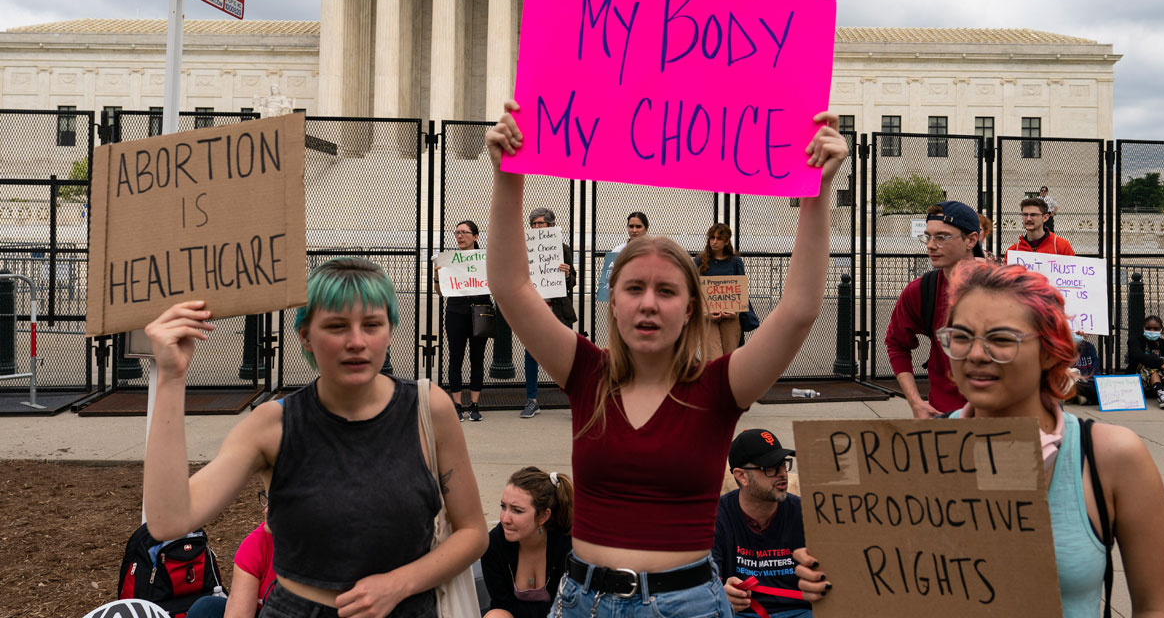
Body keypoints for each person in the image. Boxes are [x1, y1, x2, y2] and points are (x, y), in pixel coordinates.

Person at [484, 100, 847, 618]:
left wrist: (817, 191)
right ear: (613, 302)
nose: (649, 302)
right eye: (633, 288)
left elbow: (797, 311)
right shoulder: (585, 372)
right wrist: (508, 176)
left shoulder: (721, 387)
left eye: (666, 291)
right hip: (582, 602)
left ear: (690, 308)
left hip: (686, 605)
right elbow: (512, 287)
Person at [803, 262, 1164, 618]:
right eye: (961, 337)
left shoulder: (1110, 457)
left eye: (1002, 339)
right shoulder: (911, 457)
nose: (976, 355)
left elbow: (1157, 607)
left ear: (1050, 351)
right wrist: (835, 575)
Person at [142, 257, 488, 618]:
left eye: (372, 324)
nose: (356, 341)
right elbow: (170, 521)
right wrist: (171, 377)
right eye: (337, 326)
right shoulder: (273, 425)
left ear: (390, 330)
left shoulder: (428, 408)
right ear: (305, 336)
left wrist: (400, 583)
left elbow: (473, 532)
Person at [884, 201, 983, 418]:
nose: (930, 245)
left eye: (941, 237)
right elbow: (896, 343)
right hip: (944, 418)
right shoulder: (921, 291)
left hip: (1003, 420)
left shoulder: (1007, 288)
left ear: (971, 240)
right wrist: (915, 402)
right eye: (927, 236)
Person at [714, 429, 811, 618]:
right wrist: (720, 594)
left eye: (783, 464)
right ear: (741, 476)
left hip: (800, 612)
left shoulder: (805, 513)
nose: (782, 474)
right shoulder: (717, 516)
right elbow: (706, 581)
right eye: (770, 467)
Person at [481, 467, 575, 618]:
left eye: (517, 510)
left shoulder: (568, 546)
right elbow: (502, 604)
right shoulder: (494, 545)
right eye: (503, 507)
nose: (505, 519)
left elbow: (570, 606)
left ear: (543, 516)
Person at [186, 490, 277, 618]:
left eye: (278, 503)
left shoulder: (314, 546)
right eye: (268, 499)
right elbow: (238, 614)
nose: (266, 510)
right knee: (206, 608)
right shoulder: (257, 543)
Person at [522, 208, 577, 418]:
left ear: (550, 225)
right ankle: (532, 400)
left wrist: (566, 273)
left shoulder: (562, 249)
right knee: (531, 355)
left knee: (566, 356)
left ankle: (574, 399)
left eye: (540, 224)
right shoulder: (524, 249)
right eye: (534, 224)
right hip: (535, 311)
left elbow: (573, 282)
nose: (537, 227)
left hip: (559, 311)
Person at [437, 220, 492, 421]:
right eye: (457, 232)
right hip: (456, 312)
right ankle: (457, 405)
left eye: (464, 232)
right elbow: (441, 292)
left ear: (475, 236)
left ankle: (475, 405)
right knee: (455, 359)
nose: (460, 236)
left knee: (477, 359)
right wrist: (438, 277)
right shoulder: (450, 260)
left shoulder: (486, 259)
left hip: (480, 312)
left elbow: (495, 282)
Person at [697, 223, 748, 360]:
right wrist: (706, 313)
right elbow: (695, 290)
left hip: (730, 317)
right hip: (708, 317)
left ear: (726, 241)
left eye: (719, 238)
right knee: (713, 358)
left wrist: (735, 311)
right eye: (712, 238)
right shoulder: (700, 261)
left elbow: (741, 290)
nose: (714, 241)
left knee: (730, 358)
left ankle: (729, 382)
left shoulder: (735, 262)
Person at [1126, 315, 1164, 410]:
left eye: (1156, 328)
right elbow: (1138, 355)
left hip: (1162, 379)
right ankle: (1161, 393)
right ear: (1143, 328)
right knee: (1150, 362)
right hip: (1138, 379)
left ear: (1162, 329)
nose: (1152, 331)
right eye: (1148, 328)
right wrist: (1163, 365)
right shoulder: (1135, 341)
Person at [1006, 197, 1074, 257]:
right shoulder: (1013, 251)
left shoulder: (1062, 247)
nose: (1028, 218)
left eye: (1033, 215)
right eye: (1025, 214)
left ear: (1045, 217)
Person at [1071, 333, 1101, 405]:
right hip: (1075, 382)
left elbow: (1095, 370)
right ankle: (1087, 399)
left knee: (1101, 389)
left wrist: (1089, 380)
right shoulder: (1065, 348)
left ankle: (1084, 399)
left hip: (1089, 381)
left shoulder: (1089, 347)